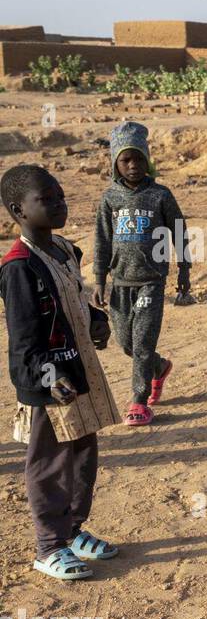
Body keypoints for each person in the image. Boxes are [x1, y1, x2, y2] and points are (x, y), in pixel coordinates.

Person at [2, 165, 121, 580]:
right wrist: (46, 377)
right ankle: (49, 546)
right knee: (50, 465)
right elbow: (22, 340)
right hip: (51, 383)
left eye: (61, 196)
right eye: (46, 200)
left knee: (83, 457)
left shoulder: (65, 250)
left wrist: (94, 319)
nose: (59, 204)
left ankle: (73, 532)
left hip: (79, 370)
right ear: (19, 210)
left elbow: (72, 296)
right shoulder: (19, 268)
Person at [92, 121, 190, 428]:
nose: (133, 165)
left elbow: (179, 232)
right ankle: (158, 368)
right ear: (115, 164)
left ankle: (138, 399)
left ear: (148, 159)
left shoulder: (160, 195)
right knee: (126, 343)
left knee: (143, 342)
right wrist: (99, 279)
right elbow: (102, 239)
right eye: (125, 160)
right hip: (120, 283)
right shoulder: (109, 199)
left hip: (151, 282)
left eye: (138, 159)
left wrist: (184, 269)